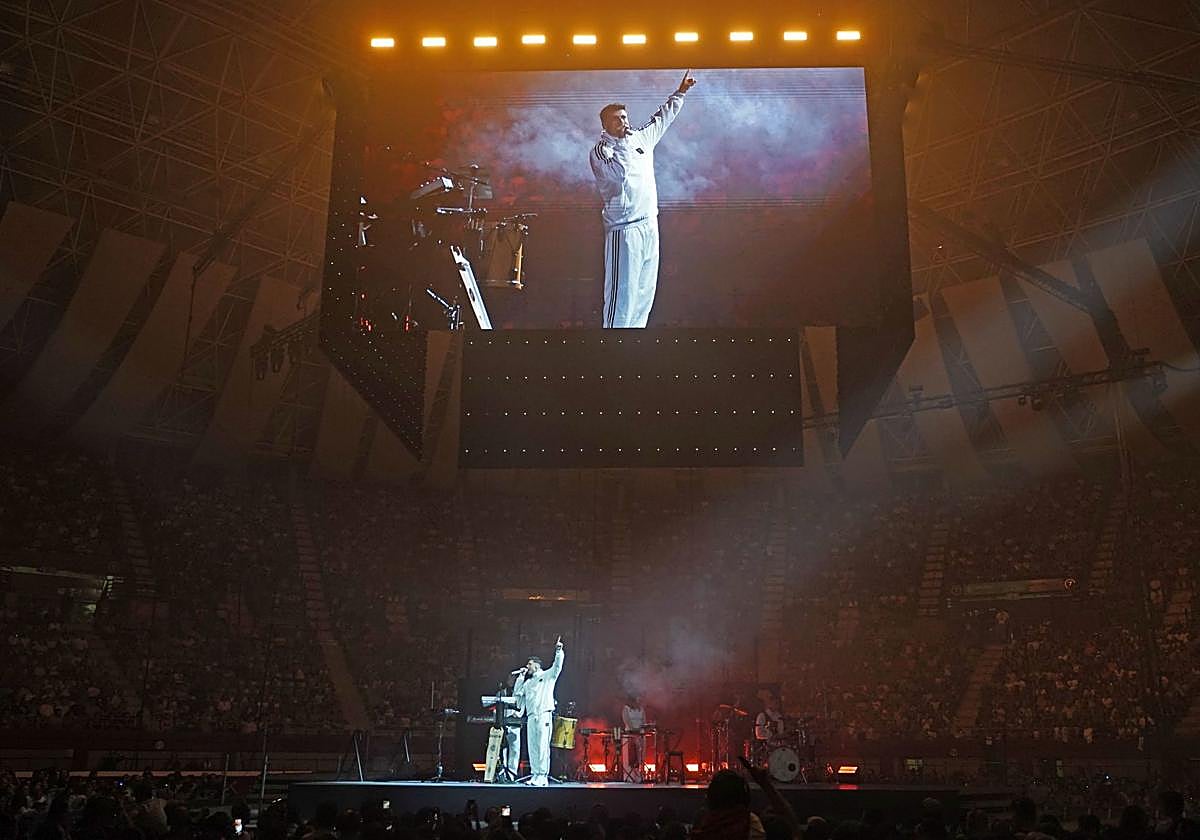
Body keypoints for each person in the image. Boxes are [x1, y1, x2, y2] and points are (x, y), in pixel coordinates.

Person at [590, 70, 697, 329]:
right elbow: (616, 180)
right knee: (622, 295)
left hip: (649, 224)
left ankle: (634, 347)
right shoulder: (601, 151)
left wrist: (680, 92)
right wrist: (619, 147)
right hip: (624, 229)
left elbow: (662, 118)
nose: (623, 123)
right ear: (605, 125)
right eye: (616, 120)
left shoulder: (641, 138)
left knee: (644, 292)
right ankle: (612, 349)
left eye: (625, 118)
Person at [512, 635, 565, 786]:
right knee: (533, 747)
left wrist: (558, 651)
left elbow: (557, 667)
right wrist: (521, 677)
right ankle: (535, 774)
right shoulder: (528, 683)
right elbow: (518, 695)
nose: (527, 666)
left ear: (536, 665)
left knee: (542, 746)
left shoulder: (546, 676)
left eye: (529, 664)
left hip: (543, 715)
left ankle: (542, 776)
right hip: (531, 717)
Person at [621, 695, 647, 782]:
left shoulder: (641, 709)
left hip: (640, 734)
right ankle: (629, 777)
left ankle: (639, 775)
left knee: (640, 755)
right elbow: (626, 720)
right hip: (630, 734)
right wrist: (633, 730)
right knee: (630, 755)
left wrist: (641, 729)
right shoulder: (626, 709)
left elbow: (644, 720)